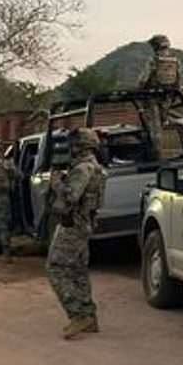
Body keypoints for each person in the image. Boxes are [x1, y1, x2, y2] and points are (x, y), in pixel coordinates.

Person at [47, 127, 106, 340]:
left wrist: (56, 182)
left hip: (73, 224)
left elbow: (71, 196)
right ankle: (89, 317)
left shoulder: (83, 169)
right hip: (85, 223)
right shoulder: (96, 167)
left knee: (55, 268)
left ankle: (77, 315)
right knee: (78, 270)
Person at [139, 34, 179, 162]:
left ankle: (157, 156)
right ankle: (158, 155)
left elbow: (144, 79)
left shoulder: (154, 60)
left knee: (154, 130)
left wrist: (139, 90)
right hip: (166, 98)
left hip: (153, 97)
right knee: (160, 127)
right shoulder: (175, 60)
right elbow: (178, 79)